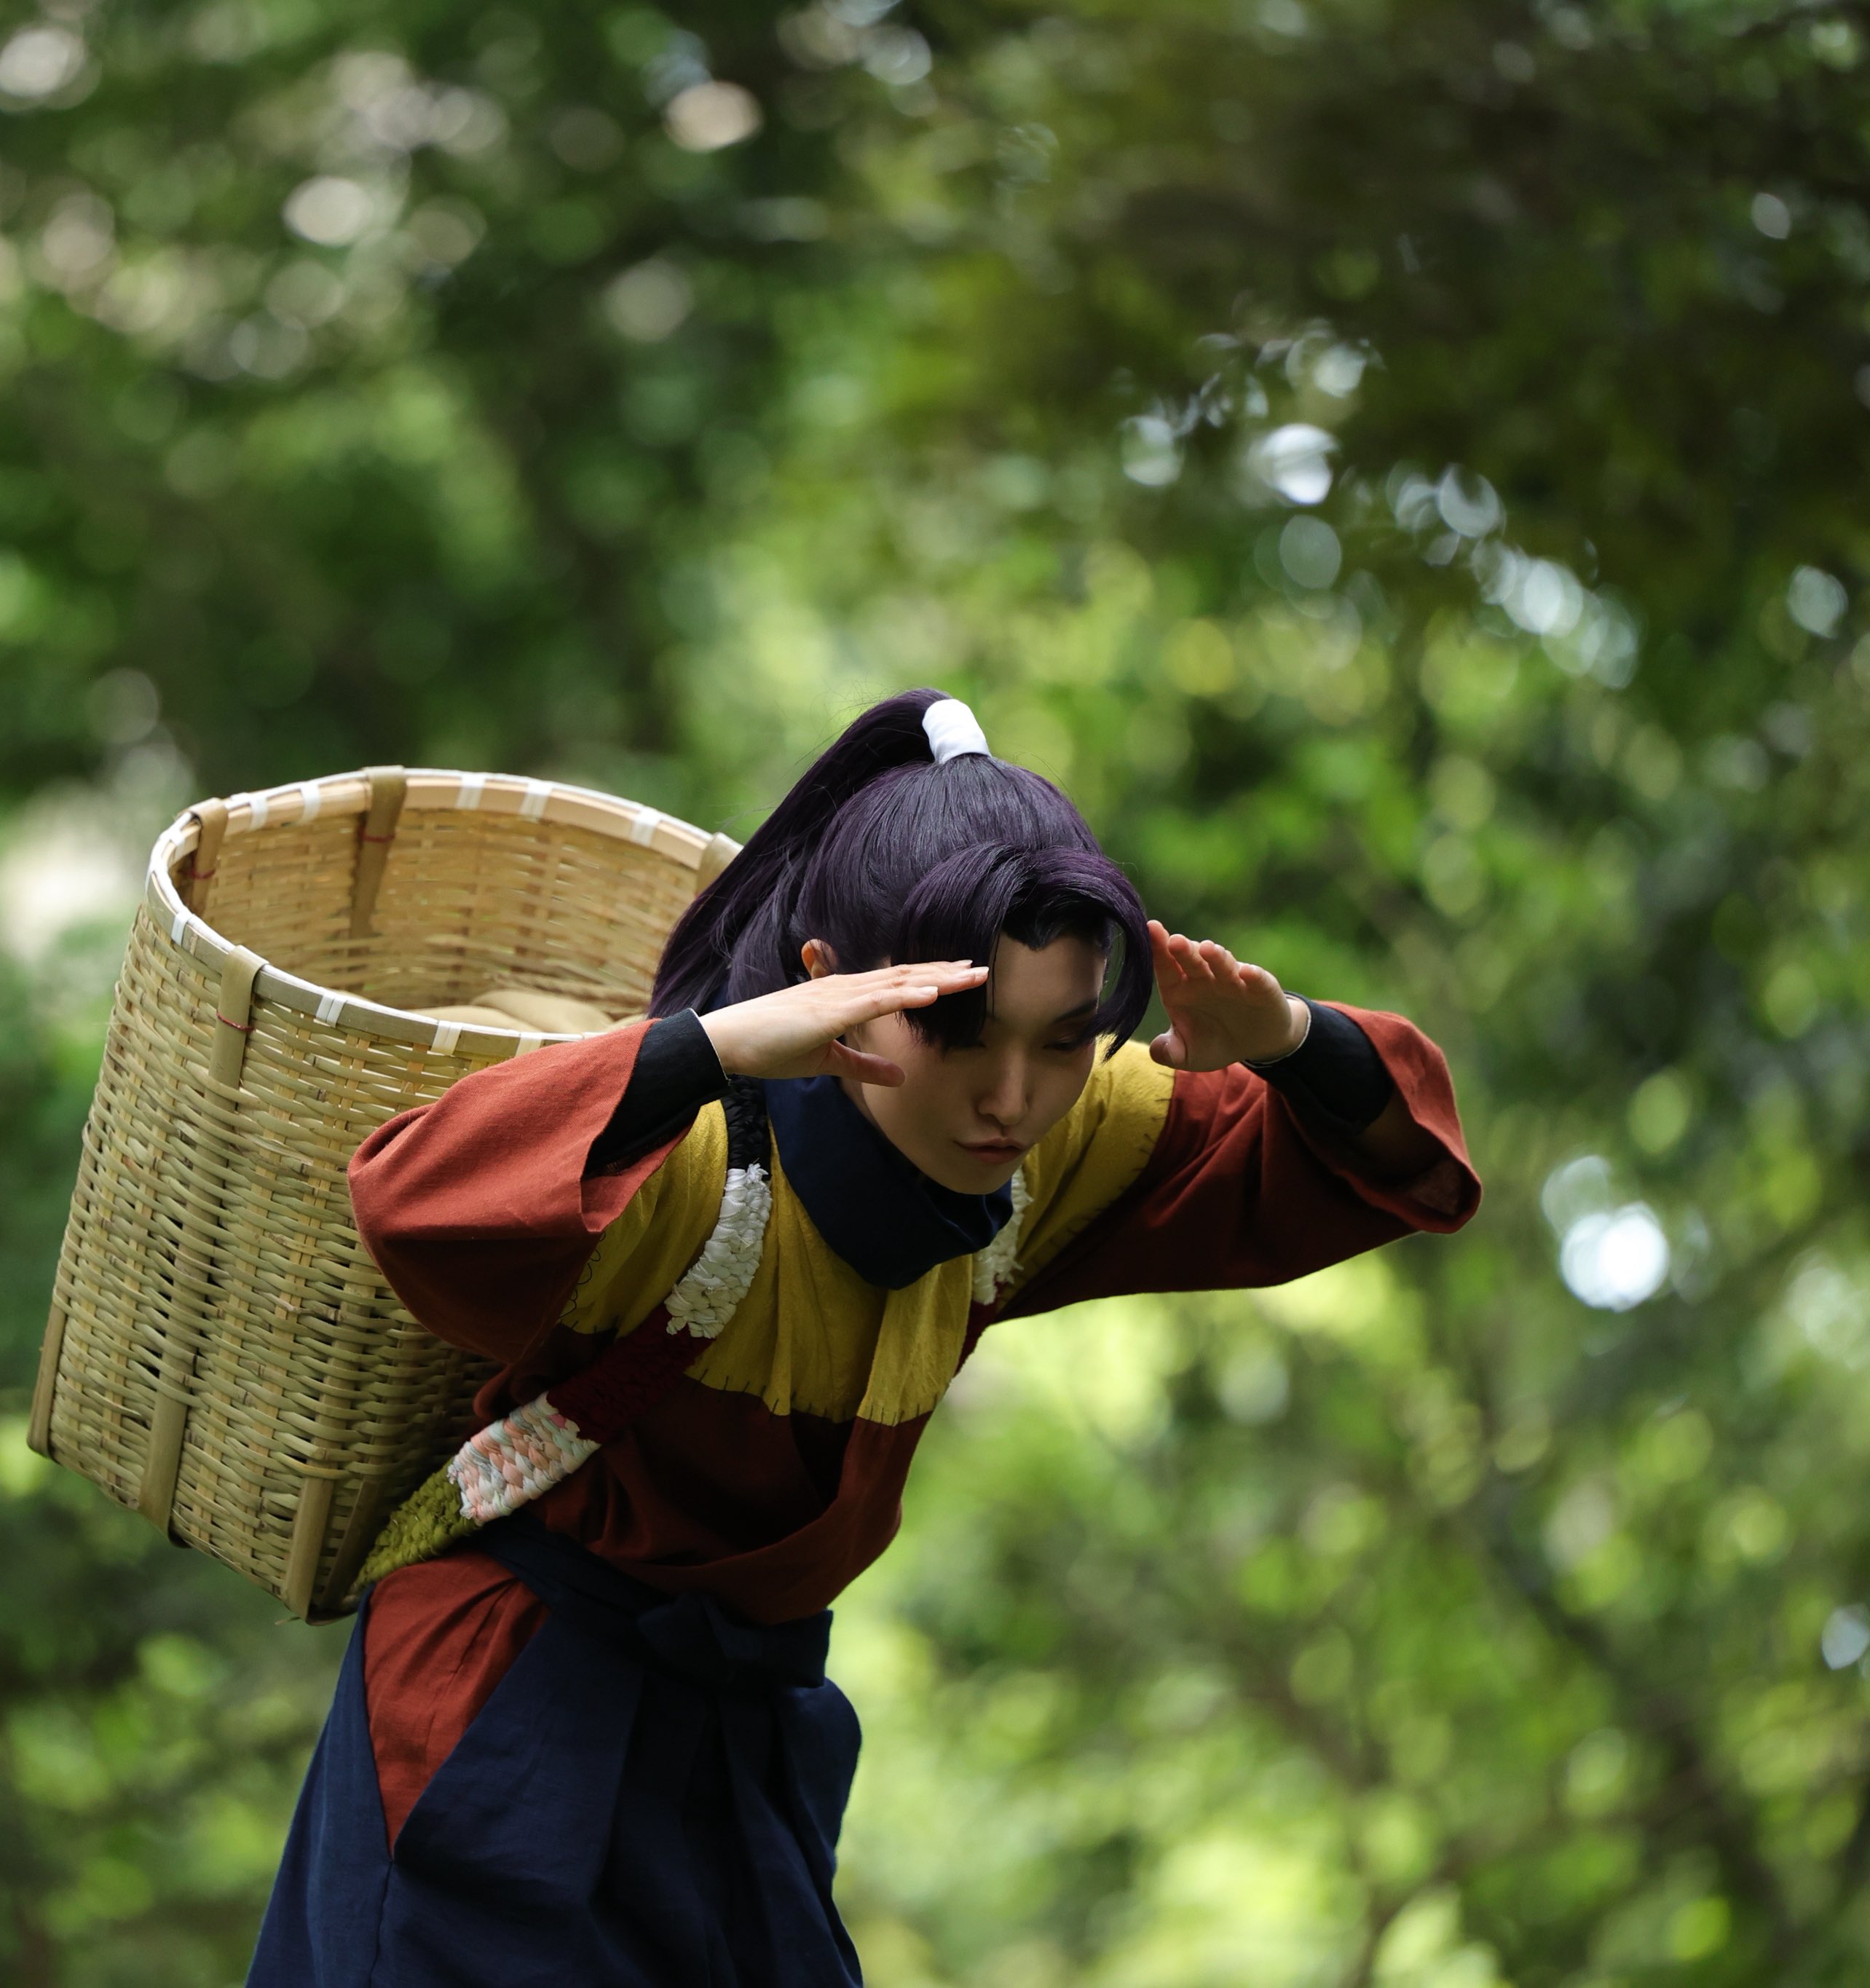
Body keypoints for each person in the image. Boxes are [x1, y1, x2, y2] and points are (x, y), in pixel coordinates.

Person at [246, 688, 1480, 1987]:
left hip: (741, 1755)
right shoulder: (693, 1160)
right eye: (958, 1033)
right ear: (836, 987)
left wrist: (1284, 1037)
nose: (1010, 1098)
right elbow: (412, 1199)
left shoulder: (1063, 1143)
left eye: (1062, 1042)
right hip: (505, 1726)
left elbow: (1395, 1166)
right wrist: (720, 1043)